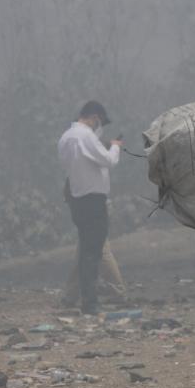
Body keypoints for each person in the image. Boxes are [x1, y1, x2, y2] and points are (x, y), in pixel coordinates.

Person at [57, 101, 123, 315]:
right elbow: (108, 161)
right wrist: (115, 146)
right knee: (92, 253)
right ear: (94, 117)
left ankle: (82, 297)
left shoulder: (66, 137)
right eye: (100, 121)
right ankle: (90, 302)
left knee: (87, 250)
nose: (99, 125)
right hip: (92, 200)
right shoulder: (85, 136)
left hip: (77, 199)